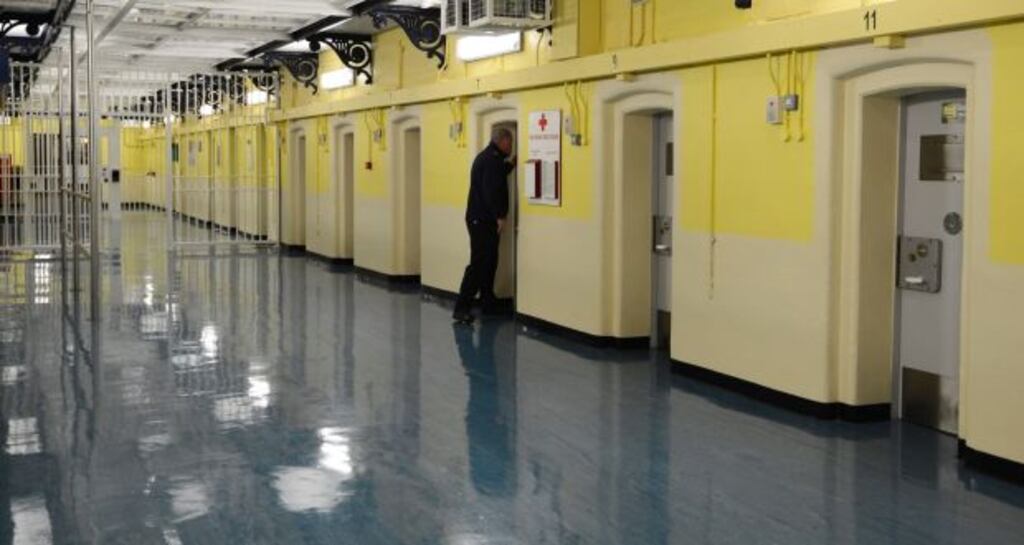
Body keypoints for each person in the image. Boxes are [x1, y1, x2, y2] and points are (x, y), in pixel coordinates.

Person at [453, 127, 515, 324]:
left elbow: (496, 176)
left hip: (481, 219)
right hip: (481, 220)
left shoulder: (491, 159)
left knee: (490, 261)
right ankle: (461, 307)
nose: (511, 147)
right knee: (479, 264)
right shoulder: (490, 160)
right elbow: (491, 191)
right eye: (510, 143)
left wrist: (510, 165)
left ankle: (488, 300)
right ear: (502, 141)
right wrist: (499, 215)